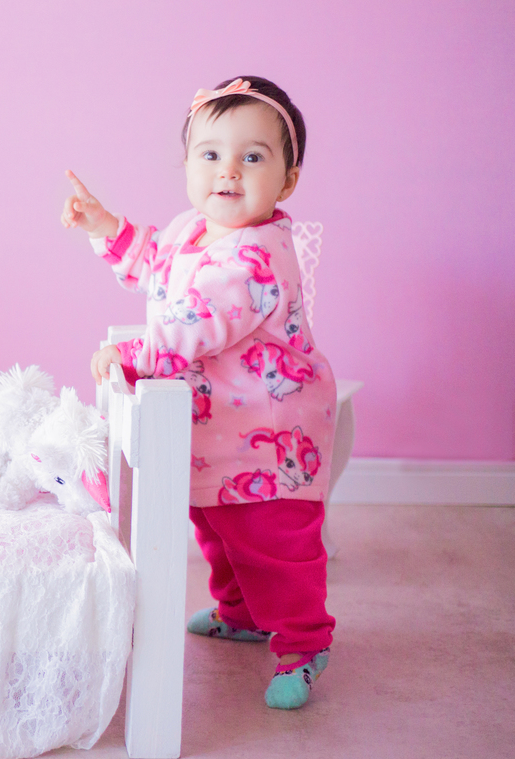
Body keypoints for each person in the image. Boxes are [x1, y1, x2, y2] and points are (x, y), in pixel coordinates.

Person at [61, 76, 337, 709]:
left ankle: (304, 641)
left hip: (271, 438)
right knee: (216, 527)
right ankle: (238, 612)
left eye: (253, 157)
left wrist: (130, 357)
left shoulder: (257, 257)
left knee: (274, 544)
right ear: (187, 165)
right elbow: (156, 263)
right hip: (215, 430)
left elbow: (194, 324)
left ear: (287, 181)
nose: (229, 171)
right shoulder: (193, 230)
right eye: (211, 154)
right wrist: (106, 226)